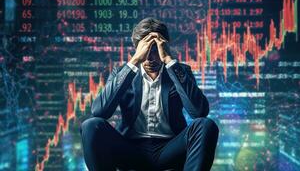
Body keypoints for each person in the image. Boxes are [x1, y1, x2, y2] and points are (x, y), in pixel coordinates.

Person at [80, 17, 219, 171]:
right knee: (90, 126)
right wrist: (134, 62)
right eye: (146, 51)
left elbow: (199, 111)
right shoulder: (122, 73)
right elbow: (99, 111)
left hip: (170, 149)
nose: (150, 58)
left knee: (206, 125)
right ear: (137, 49)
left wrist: (169, 60)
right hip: (131, 150)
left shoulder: (180, 71)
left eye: (155, 51)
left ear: (164, 47)